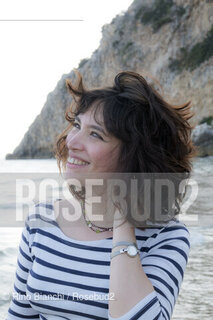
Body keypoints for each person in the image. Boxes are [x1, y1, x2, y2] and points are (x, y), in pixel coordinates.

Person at [7, 70, 197, 319]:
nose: (71, 141)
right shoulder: (41, 220)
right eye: (77, 125)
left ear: (133, 156)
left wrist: (122, 219)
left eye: (95, 134)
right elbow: (19, 316)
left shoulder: (164, 236)